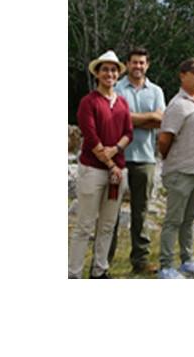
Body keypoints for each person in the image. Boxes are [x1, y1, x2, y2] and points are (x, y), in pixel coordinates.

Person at [69, 51, 134, 279]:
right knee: (85, 225)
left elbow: (128, 132)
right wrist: (110, 163)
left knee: (107, 225)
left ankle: (99, 270)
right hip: (93, 171)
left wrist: (115, 150)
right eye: (105, 69)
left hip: (117, 169)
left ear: (118, 75)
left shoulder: (123, 102)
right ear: (97, 73)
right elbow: (91, 136)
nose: (110, 73)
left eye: (114, 70)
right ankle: (74, 273)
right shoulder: (89, 102)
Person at [107, 46, 164, 275]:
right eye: (134, 62)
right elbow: (113, 118)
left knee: (141, 211)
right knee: (111, 211)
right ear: (127, 64)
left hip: (145, 158)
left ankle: (140, 260)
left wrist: (129, 119)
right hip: (118, 158)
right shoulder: (116, 88)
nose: (138, 66)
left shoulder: (156, 91)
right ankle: (104, 260)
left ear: (147, 65)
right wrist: (146, 118)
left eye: (142, 62)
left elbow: (160, 120)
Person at [156, 58, 194, 278]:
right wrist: (173, 162)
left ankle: (187, 259)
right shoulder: (178, 105)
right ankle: (166, 266)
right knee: (174, 220)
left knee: (189, 219)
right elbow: (164, 139)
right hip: (181, 171)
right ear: (182, 75)